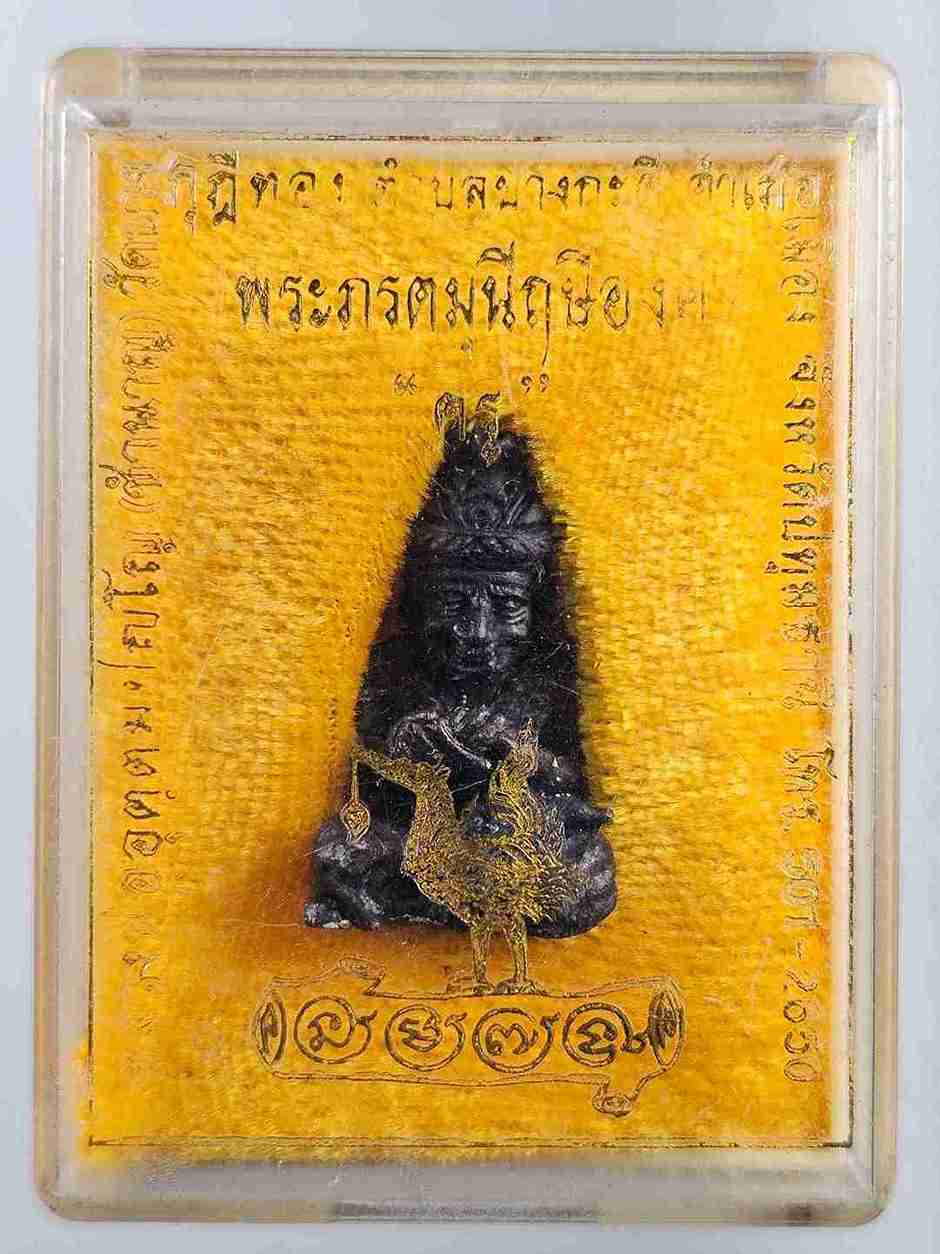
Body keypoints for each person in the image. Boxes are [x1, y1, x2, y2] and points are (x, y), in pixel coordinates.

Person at [304, 401, 616, 937]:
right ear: (419, 603)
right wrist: (405, 748)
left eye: (506, 606)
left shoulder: (542, 688)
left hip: (514, 844)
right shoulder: (399, 679)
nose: (476, 632)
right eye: (453, 603)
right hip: (423, 842)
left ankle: (459, 897)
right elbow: (369, 779)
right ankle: (451, 898)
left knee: (583, 873)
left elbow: (567, 787)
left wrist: (517, 759)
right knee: (344, 849)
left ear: (536, 609)